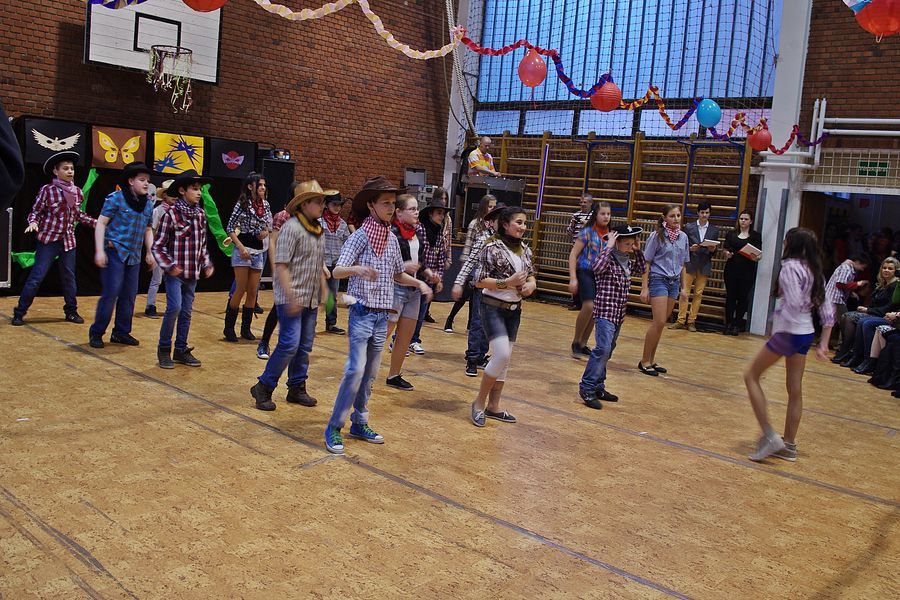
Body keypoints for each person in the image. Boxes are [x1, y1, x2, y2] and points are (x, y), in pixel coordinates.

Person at [324, 176, 433, 455]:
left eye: (393, 203)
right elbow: (337, 271)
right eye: (385, 203)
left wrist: (418, 283)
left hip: (382, 317)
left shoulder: (391, 239)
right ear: (371, 205)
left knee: (370, 373)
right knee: (355, 370)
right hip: (362, 314)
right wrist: (357, 270)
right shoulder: (360, 236)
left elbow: (397, 274)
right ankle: (334, 426)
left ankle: (360, 422)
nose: (390, 207)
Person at [743, 227, 833, 462]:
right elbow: (827, 309)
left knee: (751, 376)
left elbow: (793, 303)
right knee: (794, 388)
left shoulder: (790, 267)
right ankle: (789, 445)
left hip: (789, 332)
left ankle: (769, 435)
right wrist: (823, 343)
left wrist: (777, 323)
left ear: (792, 243)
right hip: (805, 333)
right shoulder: (814, 269)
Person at [250, 180, 330, 411]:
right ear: (304, 204)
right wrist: (290, 296)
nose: (322, 205)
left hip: (310, 298)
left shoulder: (318, 230)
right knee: (289, 344)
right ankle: (264, 386)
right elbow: (281, 265)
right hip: (292, 297)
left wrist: (325, 290)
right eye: (318, 201)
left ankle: (296, 387)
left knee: (304, 346)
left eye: (323, 201)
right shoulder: (291, 228)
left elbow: (317, 264)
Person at [470, 206, 537, 428]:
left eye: (524, 223)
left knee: (504, 361)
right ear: (505, 224)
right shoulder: (491, 248)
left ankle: (494, 406)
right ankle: (479, 404)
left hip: (514, 310)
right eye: (519, 222)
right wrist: (507, 283)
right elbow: (479, 281)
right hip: (492, 308)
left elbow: (531, 274)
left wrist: (531, 285)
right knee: (501, 354)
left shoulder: (525, 249)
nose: (523, 227)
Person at [12, 151, 96, 326]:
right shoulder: (48, 190)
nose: (70, 171)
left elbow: (78, 215)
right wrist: (33, 222)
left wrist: (98, 223)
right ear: (56, 171)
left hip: (68, 241)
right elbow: (35, 211)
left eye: (71, 168)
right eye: (65, 168)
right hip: (48, 240)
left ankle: (71, 311)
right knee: (37, 276)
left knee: (69, 277)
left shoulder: (77, 192)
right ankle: (19, 312)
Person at [151, 170, 214, 368]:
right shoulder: (170, 215)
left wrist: (207, 263)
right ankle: (164, 349)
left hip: (192, 273)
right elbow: (157, 246)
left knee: (186, 312)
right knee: (174, 308)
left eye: (200, 189)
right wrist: (170, 266)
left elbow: (202, 245)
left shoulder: (201, 215)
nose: (199, 193)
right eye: (194, 189)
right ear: (182, 191)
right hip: (175, 274)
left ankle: (180, 349)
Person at [89, 162, 156, 349]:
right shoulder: (116, 198)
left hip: (134, 256)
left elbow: (148, 229)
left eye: (147, 180)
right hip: (115, 252)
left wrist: (150, 251)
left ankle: (121, 332)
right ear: (130, 181)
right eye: (141, 180)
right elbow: (101, 223)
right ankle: (97, 332)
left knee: (129, 295)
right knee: (111, 292)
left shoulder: (148, 204)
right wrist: (100, 250)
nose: (146, 183)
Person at [579, 225, 645, 409]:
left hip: (618, 313)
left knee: (608, 350)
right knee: (603, 349)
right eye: (626, 244)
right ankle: (587, 387)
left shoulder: (627, 261)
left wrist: (638, 251)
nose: (630, 247)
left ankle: (598, 386)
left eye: (632, 243)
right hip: (605, 312)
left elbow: (641, 269)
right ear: (617, 243)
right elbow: (597, 268)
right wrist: (608, 247)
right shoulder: (607, 258)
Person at [384, 194, 437, 390]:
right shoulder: (391, 234)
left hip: (413, 290)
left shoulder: (416, 233)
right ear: (399, 212)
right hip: (395, 288)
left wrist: (429, 273)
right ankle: (363, 372)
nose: (416, 213)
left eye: (417, 209)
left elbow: (419, 261)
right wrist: (405, 267)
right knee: (382, 334)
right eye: (412, 209)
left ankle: (394, 375)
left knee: (405, 337)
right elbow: (390, 266)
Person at [452, 202, 505, 377]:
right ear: (491, 222)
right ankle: (472, 359)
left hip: (497, 290)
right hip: (481, 288)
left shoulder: (507, 242)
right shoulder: (484, 239)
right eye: (499, 220)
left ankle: (481, 355)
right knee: (477, 323)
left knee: (490, 325)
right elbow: (470, 261)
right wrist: (459, 282)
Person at [638, 204, 690, 376]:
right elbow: (646, 262)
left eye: (678, 215)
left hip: (674, 282)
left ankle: (651, 360)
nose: (676, 219)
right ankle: (644, 361)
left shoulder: (683, 237)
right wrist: (644, 287)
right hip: (658, 279)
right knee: (658, 321)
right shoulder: (656, 236)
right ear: (664, 218)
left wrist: (684, 288)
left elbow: (683, 264)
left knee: (662, 323)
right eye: (672, 216)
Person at [225, 172, 272, 342]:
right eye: (260, 185)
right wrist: (240, 247)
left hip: (258, 250)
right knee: (240, 288)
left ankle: (246, 328)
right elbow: (230, 228)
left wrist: (265, 232)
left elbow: (268, 226)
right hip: (242, 249)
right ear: (251, 186)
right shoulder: (242, 203)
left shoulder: (265, 204)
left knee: (253, 291)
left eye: (264, 185)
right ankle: (229, 328)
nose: (263, 188)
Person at [444, 194, 496, 333]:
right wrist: (464, 268)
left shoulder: (493, 225)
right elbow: (468, 246)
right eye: (490, 206)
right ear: (484, 207)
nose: (492, 209)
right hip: (472, 265)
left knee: (476, 298)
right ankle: (450, 318)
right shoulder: (475, 224)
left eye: (494, 207)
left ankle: (470, 325)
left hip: (484, 267)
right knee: (465, 295)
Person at [567, 200, 610, 357]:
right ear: (595, 215)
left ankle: (583, 343)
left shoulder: (611, 234)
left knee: (596, 309)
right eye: (602, 213)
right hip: (585, 270)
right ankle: (576, 340)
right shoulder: (587, 232)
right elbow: (573, 255)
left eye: (608, 214)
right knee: (589, 305)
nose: (606, 217)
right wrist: (573, 278)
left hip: (601, 274)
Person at [408, 194, 450, 354]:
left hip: (430, 280)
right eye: (439, 213)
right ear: (430, 213)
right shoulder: (419, 230)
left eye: (443, 214)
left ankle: (413, 340)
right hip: (417, 278)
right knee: (410, 313)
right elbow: (416, 255)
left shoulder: (439, 233)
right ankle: (400, 339)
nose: (442, 216)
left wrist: (439, 278)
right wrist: (424, 272)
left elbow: (441, 257)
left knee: (421, 313)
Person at [669, 201, 719, 332]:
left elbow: (715, 251)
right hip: (690, 262)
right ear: (698, 213)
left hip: (704, 264)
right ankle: (680, 320)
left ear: (710, 213)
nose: (704, 215)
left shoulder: (714, 230)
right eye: (702, 212)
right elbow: (681, 245)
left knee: (698, 294)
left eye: (707, 213)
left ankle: (692, 321)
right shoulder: (689, 227)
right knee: (684, 292)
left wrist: (713, 249)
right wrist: (690, 249)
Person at [722, 210, 763, 335]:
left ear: (751, 221)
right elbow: (725, 249)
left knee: (743, 298)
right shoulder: (731, 234)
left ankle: (737, 324)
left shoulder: (755, 236)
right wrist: (727, 254)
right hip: (731, 269)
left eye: (746, 219)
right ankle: (728, 324)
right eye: (741, 219)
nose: (743, 221)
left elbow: (759, 254)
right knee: (730, 297)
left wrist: (756, 257)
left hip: (747, 271)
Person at [824, 254, 871, 354]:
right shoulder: (846, 268)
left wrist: (851, 292)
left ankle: (825, 342)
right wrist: (857, 284)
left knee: (832, 321)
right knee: (845, 322)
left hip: (833, 297)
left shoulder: (847, 267)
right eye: (862, 266)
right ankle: (842, 347)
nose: (862, 269)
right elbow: (840, 284)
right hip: (836, 298)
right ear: (857, 262)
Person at [320, 189, 351, 334]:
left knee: (332, 294)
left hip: (336, 264)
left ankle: (331, 323)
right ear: (327, 205)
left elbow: (347, 243)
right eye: (334, 204)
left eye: (339, 205)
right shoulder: (319, 222)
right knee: (315, 294)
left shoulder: (343, 224)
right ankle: (308, 322)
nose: (337, 207)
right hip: (320, 263)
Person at [144, 179, 176, 319]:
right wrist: (152, 250)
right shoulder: (158, 211)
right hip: (160, 250)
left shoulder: (178, 211)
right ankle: (150, 306)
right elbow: (152, 229)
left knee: (173, 280)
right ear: (164, 195)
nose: (175, 196)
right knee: (156, 279)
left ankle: (173, 306)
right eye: (171, 193)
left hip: (173, 251)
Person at [565, 193, 594, 311]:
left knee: (586, 276)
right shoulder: (576, 215)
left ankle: (586, 301)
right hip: (576, 250)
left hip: (590, 251)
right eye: (581, 202)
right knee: (576, 275)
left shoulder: (594, 216)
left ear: (590, 203)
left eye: (585, 202)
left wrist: (586, 224)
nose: (582, 204)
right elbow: (569, 232)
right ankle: (576, 302)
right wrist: (573, 223)